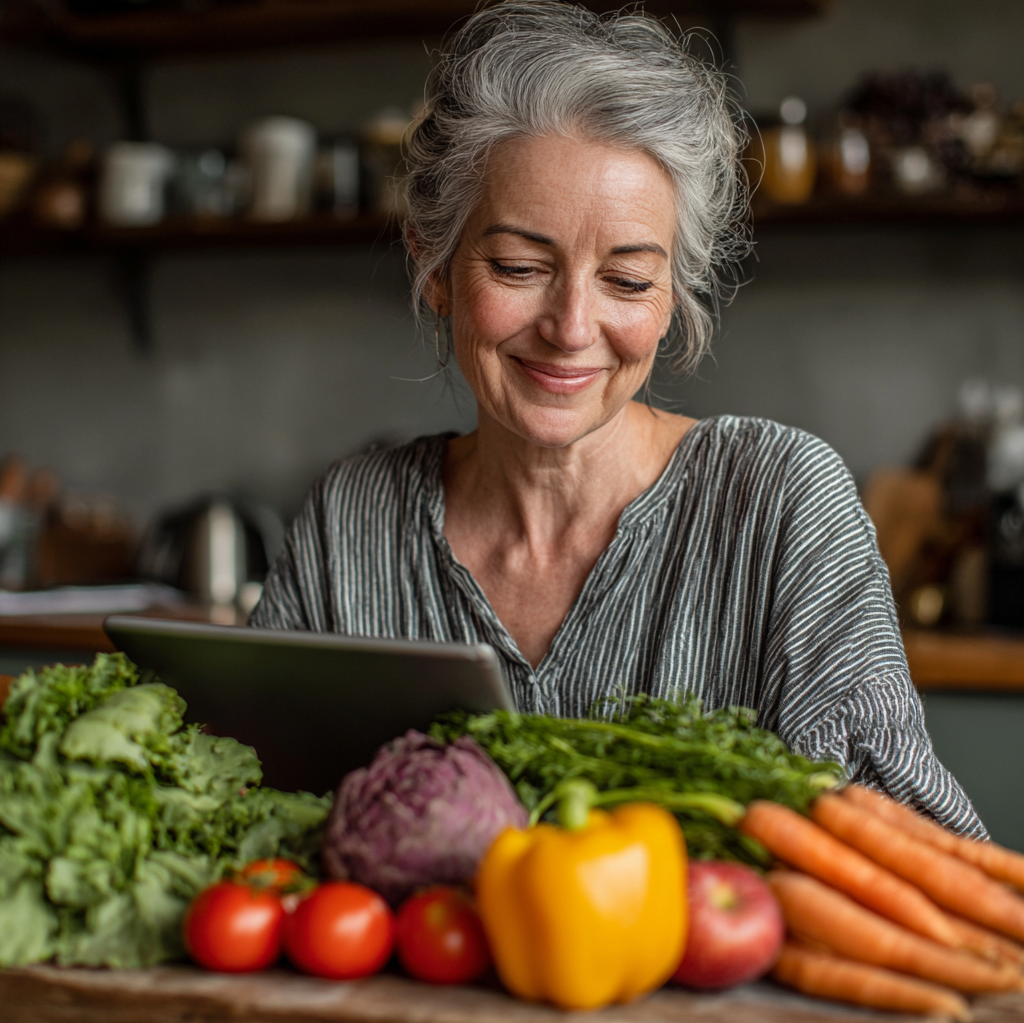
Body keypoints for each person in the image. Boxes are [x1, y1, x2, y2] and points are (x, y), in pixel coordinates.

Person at [251, 0, 982, 835]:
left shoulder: (780, 503)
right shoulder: (353, 521)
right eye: (521, 266)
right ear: (437, 265)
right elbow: (257, 825)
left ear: (673, 299)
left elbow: (910, 854)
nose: (570, 328)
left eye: (628, 282)